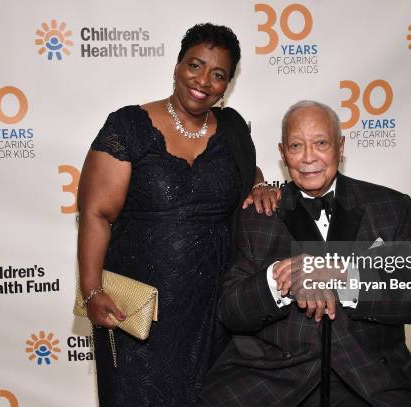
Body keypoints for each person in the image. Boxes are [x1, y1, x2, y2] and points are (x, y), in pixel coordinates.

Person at [77, 23, 280, 407]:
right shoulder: (130, 126)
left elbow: (243, 170)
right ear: (176, 66)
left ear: (228, 84)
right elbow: (96, 214)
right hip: (137, 310)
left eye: (218, 74)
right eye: (195, 65)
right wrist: (92, 290)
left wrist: (258, 184)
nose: (203, 81)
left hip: (212, 312)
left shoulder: (233, 128)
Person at [198, 101, 411, 406]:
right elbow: (231, 312)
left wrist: (345, 275)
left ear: (340, 146)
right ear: (283, 152)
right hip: (276, 382)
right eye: (297, 145)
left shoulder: (388, 206)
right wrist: (279, 278)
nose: (308, 157)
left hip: (370, 381)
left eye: (321, 143)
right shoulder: (258, 215)